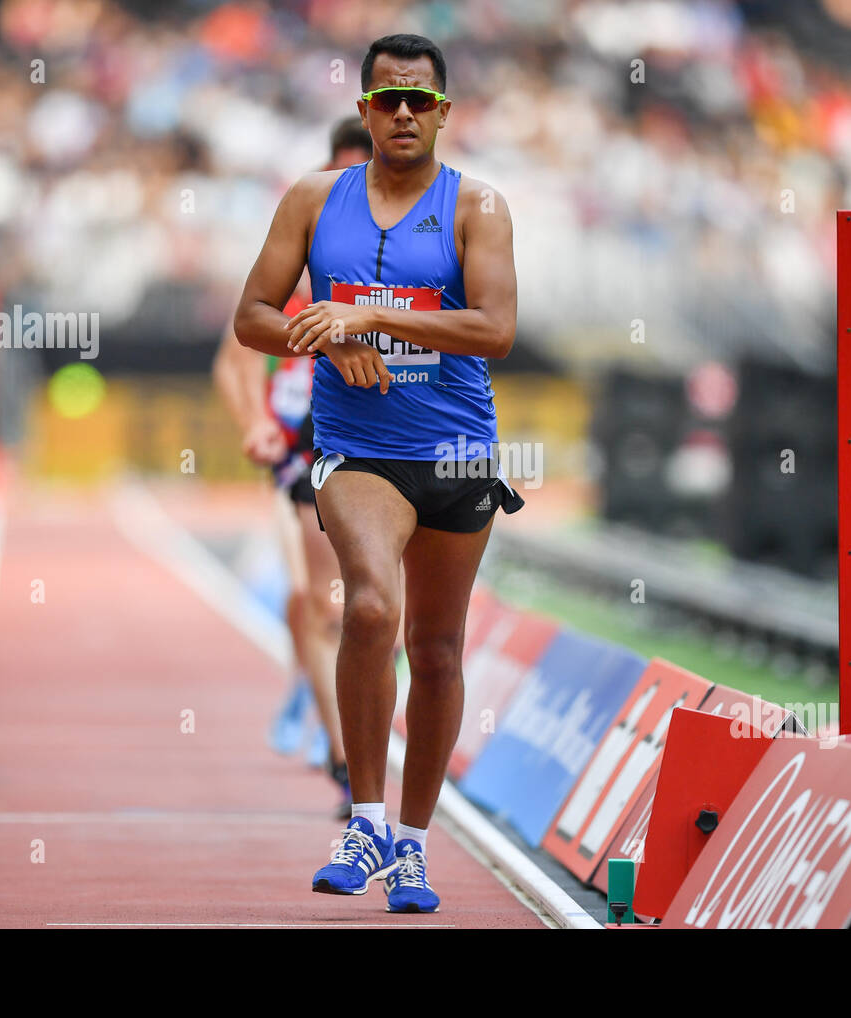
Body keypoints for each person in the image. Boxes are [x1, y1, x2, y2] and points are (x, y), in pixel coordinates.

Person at [234, 33, 523, 913]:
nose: (404, 113)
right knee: (367, 605)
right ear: (364, 110)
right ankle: (363, 818)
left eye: (421, 102)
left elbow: (495, 330)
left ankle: (412, 844)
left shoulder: (479, 206)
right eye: (388, 99)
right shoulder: (314, 201)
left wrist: (371, 318)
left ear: (443, 112)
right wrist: (320, 332)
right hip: (357, 448)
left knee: (435, 652)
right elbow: (252, 315)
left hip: (458, 451)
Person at [213, 118, 372, 820]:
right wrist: (254, 422)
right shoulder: (299, 254)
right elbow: (236, 354)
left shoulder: (417, 258)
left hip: (389, 443)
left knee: (364, 607)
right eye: (335, 179)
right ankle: (346, 758)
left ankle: (325, 682)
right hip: (302, 448)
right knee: (320, 597)